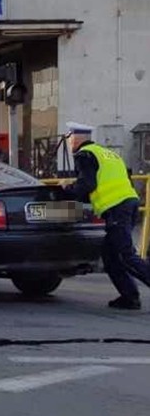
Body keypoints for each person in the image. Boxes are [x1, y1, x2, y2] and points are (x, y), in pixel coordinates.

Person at [63, 122, 150, 310]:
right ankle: (129, 297)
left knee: (125, 255)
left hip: (116, 207)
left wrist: (66, 190)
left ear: (76, 138)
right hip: (128, 203)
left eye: (69, 138)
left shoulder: (84, 155)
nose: (69, 143)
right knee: (110, 256)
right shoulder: (108, 154)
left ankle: (131, 295)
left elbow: (87, 185)